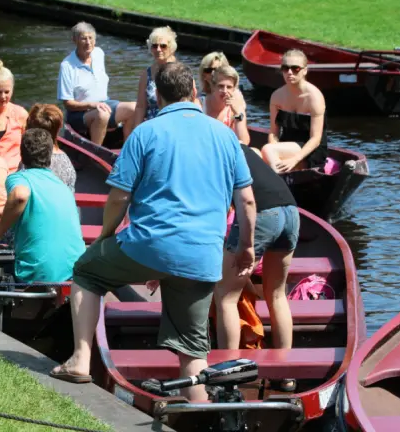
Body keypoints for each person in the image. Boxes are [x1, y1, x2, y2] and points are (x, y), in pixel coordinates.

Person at [51, 62, 257, 402]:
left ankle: (81, 360)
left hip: (149, 246)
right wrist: (246, 246)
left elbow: (119, 195)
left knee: (86, 271)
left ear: (158, 97)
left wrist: (106, 234)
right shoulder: (225, 135)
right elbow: (247, 202)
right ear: (194, 91)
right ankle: (198, 411)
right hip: (204, 256)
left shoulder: (145, 133)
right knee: (193, 351)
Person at [214, 143, 299, 391]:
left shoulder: (211, 152)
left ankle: (227, 374)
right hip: (291, 211)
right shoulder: (242, 148)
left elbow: (222, 209)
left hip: (261, 212)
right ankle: (285, 374)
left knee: (226, 296)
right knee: (277, 294)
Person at [0, 105, 77, 280]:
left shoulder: (23, 175)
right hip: (68, 264)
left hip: (29, 258)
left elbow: (19, 197)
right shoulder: (65, 170)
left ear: (21, 154)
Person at [0, 129, 85, 284]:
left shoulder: (19, 178)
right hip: (73, 274)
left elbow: (20, 196)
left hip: (35, 275)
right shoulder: (61, 185)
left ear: (22, 155)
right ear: (49, 157)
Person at [57, 22, 136, 145]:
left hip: (104, 104)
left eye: (91, 38)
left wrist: (99, 105)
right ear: (75, 40)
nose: (88, 42)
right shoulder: (67, 66)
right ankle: (95, 152)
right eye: (83, 38)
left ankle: (127, 150)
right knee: (102, 114)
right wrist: (92, 104)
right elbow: (67, 103)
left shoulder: (99, 53)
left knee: (134, 108)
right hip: (78, 114)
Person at [261, 49, 328, 173]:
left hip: (310, 150)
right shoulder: (277, 96)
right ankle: (282, 180)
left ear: (305, 70)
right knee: (259, 154)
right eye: (285, 68)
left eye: (295, 68)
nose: (289, 73)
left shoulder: (314, 97)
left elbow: (316, 138)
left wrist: (295, 159)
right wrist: (273, 147)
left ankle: (280, 185)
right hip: (286, 145)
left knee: (267, 150)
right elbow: (274, 132)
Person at [204, 65, 250, 144]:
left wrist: (238, 113)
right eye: (221, 86)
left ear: (234, 89)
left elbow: (244, 142)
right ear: (213, 86)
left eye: (229, 87)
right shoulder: (201, 104)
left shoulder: (237, 107)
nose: (225, 91)